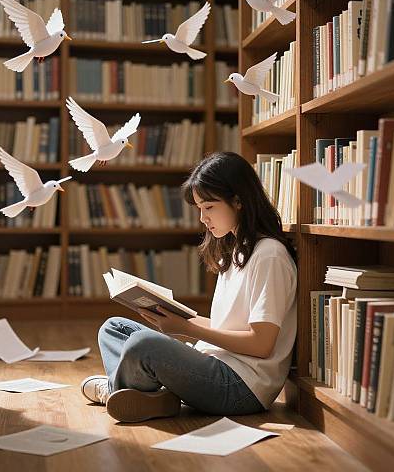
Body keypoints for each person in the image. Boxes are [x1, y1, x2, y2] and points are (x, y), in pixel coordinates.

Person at [80, 152, 297, 423]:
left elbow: (262, 344)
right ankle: (146, 396)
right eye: (199, 209)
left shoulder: (269, 255)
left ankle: (118, 390)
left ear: (238, 201)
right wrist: (180, 318)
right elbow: (227, 326)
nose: (203, 219)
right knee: (113, 328)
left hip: (242, 387)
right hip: (215, 363)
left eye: (209, 207)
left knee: (142, 344)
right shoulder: (233, 250)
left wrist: (186, 329)